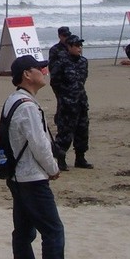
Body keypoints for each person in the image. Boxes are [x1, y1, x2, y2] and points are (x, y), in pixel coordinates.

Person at [3, 55, 64, 259]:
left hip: (17, 177)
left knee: (23, 234)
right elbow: (39, 145)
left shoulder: (13, 99)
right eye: (39, 68)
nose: (43, 71)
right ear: (27, 75)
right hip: (31, 179)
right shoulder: (27, 106)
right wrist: (53, 169)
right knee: (54, 232)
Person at [49, 34, 92, 169]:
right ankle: (61, 158)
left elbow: (82, 80)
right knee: (65, 132)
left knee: (82, 131)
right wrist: (63, 97)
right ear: (69, 47)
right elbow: (54, 82)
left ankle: (80, 158)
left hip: (81, 102)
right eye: (76, 46)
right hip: (67, 104)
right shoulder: (61, 62)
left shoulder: (83, 62)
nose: (79, 49)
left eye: (81, 46)